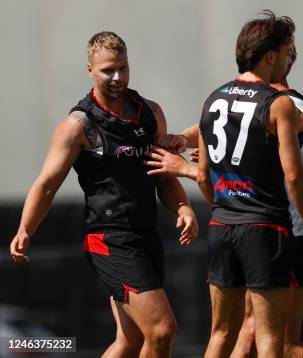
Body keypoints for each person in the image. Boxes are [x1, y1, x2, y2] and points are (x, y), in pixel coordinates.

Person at [147, 43, 303, 358]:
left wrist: (186, 165)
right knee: (290, 334)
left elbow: (291, 166)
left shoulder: (276, 106)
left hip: (278, 226)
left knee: (256, 335)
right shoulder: (301, 103)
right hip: (301, 226)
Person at [9, 31, 199, 358]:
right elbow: (46, 184)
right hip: (109, 238)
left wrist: (184, 207)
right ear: (90, 70)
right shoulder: (79, 124)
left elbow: (163, 176)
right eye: (108, 70)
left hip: (145, 235)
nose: (117, 77)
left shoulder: (149, 112)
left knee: (131, 341)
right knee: (161, 328)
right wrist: (25, 229)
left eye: (123, 68)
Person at [196, 10, 303, 358]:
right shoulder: (279, 103)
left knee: (221, 333)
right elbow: (295, 177)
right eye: (286, 52)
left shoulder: (214, 98)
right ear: (271, 55)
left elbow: (203, 173)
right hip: (265, 228)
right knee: (270, 340)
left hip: (222, 225)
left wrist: (222, 206)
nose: (288, 60)